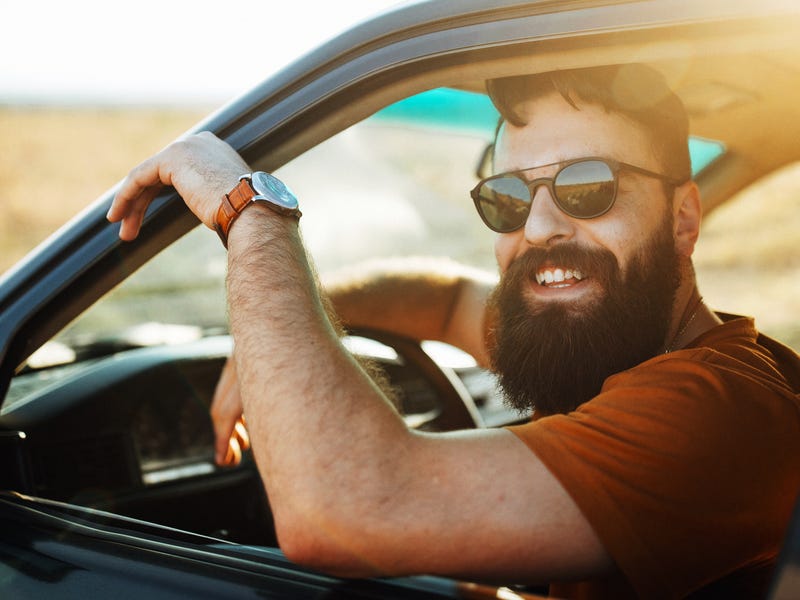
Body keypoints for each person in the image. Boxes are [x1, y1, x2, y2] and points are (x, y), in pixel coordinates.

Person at [107, 64, 800, 598]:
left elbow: (342, 508)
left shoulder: (719, 411)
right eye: (509, 197)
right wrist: (275, 341)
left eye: (589, 187)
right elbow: (440, 302)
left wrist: (249, 209)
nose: (540, 227)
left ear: (683, 218)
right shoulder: (604, 333)